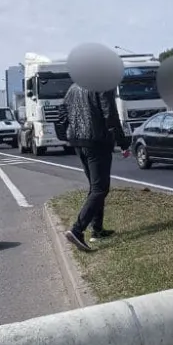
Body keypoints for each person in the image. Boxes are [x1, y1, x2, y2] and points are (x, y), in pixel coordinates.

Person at [55, 82, 130, 252]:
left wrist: (67, 132)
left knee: (95, 187)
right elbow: (110, 114)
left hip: (78, 141)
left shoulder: (73, 87)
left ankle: (97, 229)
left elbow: (62, 111)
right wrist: (122, 141)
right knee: (100, 189)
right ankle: (77, 230)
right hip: (97, 141)